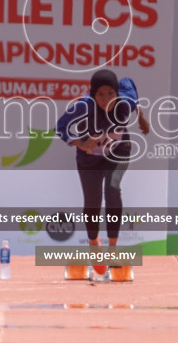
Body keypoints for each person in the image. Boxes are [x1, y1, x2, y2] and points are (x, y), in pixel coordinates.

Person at [58, 69, 150, 281]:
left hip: (118, 152)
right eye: (100, 95)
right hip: (89, 156)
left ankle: (113, 249)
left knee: (112, 189)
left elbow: (129, 84)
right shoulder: (84, 106)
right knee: (92, 200)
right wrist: (79, 142)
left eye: (111, 93)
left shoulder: (124, 103)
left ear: (116, 93)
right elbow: (60, 128)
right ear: (92, 95)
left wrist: (142, 118)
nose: (107, 99)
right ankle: (93, 245)